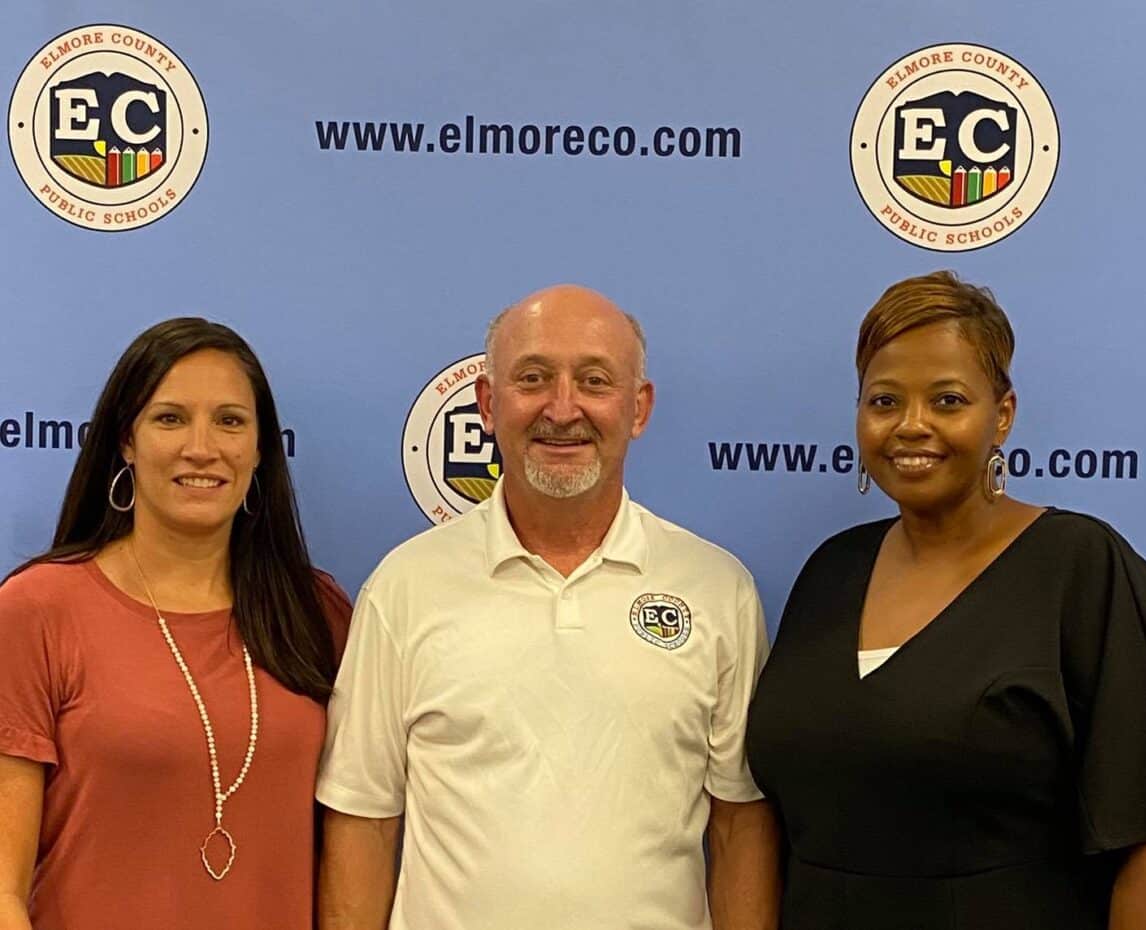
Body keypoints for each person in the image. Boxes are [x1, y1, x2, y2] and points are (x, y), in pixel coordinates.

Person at [316, 284, 779, 930]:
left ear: (639, 408)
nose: (562, 409)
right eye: (533, 378)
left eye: (595, 381)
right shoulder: (404, 587)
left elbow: (739, 823)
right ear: (487, 403)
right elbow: (363, 819)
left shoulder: (716, 589)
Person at [746, 271, 1146, 929]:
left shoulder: (1081, 567)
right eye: (884, 401)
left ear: (1002, 415)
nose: (911, 425)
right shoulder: (832, 569)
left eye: (947, 400)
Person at [0, 319, 351, 930]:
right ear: (125, 442)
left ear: (260, 449)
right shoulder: (38, 609)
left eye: (230, 421)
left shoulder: (316, 611)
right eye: (170, 419)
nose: (201, 447)